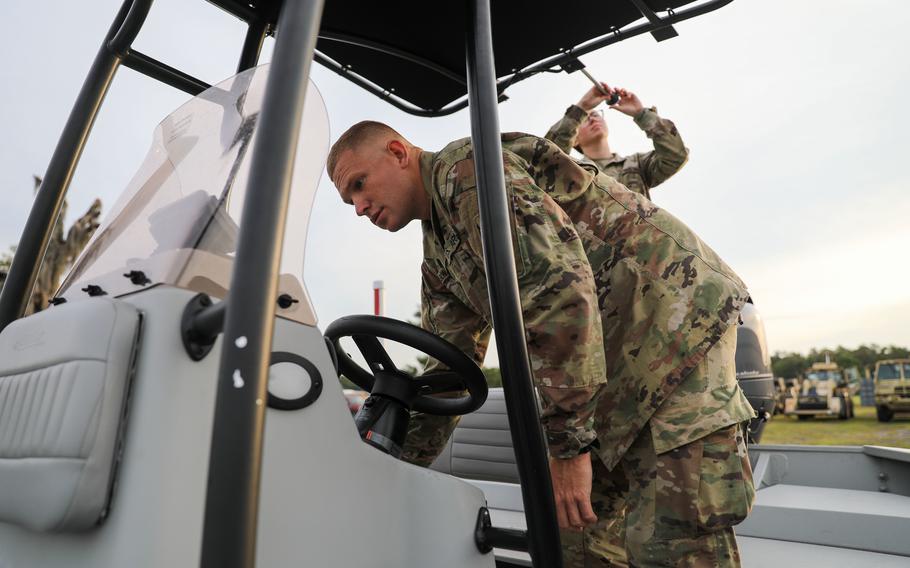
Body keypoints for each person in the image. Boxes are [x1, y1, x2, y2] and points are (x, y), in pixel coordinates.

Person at [327, 120, 756, 566]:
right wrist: (391, 466)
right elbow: (448, 376)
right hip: (607, 371)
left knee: (672, 539)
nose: (358, 207)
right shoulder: (439, 255)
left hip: (674, 335)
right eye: (348, 200)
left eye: (359, 185)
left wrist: (568, 448)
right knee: (571, 537)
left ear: (398, 153)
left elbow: (557, 292)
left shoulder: (470, 173)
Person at [546, 82, 689, 199]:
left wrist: (641, 114)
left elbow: (676, 156)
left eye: (596, 114)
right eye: (585, 118)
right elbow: (544, 160)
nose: (592, 118)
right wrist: (582, 107)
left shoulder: (636, 165)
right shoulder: (574, 170)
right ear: (574, 139)